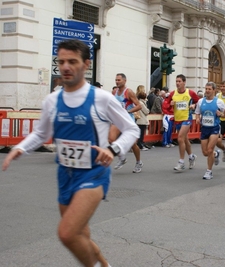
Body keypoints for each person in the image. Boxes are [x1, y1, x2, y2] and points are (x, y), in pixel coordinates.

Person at [2, 39, 140, 267]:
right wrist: (19, 148)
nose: (65, 66)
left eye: (72, 61)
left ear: (86, 64)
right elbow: (41, 133)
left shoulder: (101, 98)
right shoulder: (52, 100)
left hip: (93, 174)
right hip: (65, 175)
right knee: (80, 235)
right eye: (61, 61)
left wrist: (113, 149)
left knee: (67, 233)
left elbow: (131, 128)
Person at [164, 74, 200, 171]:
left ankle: (181, 162)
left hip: (187, 118)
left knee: (180, 138)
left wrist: (194, 105)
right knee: (185, 140)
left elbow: (199, 102)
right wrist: (169, 104)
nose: (177, 83)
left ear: (184, 82)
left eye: (179, 81)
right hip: (178, 119)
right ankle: (192, 156)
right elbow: (165, 104)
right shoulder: (173, 93)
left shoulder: (190, 92)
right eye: (176, 81)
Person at [110, 73, 144, 173]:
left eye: (119, 80)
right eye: (116, 80)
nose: (117, 82)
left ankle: (139, 162)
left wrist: (128, 111)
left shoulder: (128, 92)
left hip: (128, 120)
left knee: (133, 144)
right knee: (111, 139)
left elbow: (139, 106)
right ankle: (122, 157)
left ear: (125, 81)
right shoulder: (114, 91)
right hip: (117, 120)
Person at [195, 81, 225, 179]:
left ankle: (209, 172)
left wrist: (220, 114)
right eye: (206, 89)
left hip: (214, 128)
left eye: (209, 89)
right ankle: (216, 154)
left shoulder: (219, 102)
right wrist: (197, 118)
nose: (207, 91)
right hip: (204, 128)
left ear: (214, 90)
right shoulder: (201, 101)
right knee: (205, 152)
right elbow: (197, 112)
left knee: (209, 149)